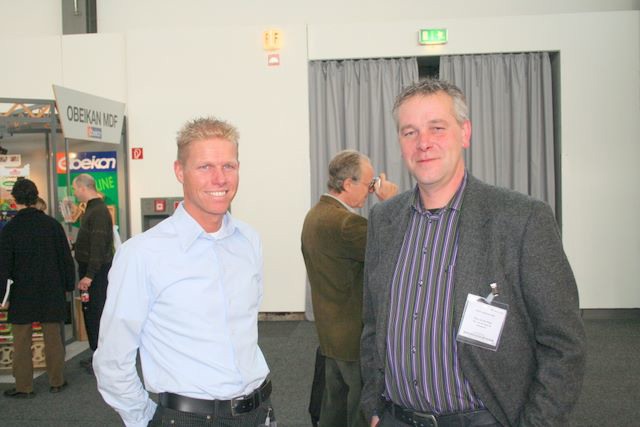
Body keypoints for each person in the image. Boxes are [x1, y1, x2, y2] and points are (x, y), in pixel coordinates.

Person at [360, 79, 586, 427]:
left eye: (437, 127)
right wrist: (372, 404)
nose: (423, 142)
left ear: (465, 133)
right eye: (410, 132)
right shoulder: (383, 220)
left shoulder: (521, 219)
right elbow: (373, 325)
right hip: (396, 417)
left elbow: (563, 345)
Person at [93, 117, 274, 427]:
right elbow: (112, 359)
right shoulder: (142, 254)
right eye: (205, 167)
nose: (220, 178)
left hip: (259, 412)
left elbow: (245, 323)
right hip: (190, 418)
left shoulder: (248, 241)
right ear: (180, 171)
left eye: (229, 166)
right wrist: (145, 419)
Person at [302, 150, 398, 427]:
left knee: (334, 408)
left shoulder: (315, 215)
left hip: (330, 333)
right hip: (354, 336)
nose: (371, 191)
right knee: (360, 410)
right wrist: (391, 204)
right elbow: (397, 248)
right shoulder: (346, 224)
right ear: (347, 184)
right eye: (369, 184)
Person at [0, 179, 75, 398]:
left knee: (21, 340)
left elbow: (4, 265)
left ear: (15, 200)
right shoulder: (52, 225)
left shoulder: (10, 229)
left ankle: (24, 386)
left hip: (22, 292)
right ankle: (57, 381)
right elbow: (65, 259)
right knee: (53, 338)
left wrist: (3, 295)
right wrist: (68, 285)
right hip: (51, 289)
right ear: (36, 197)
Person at [71, 173, 113, 372]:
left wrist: (89, 275)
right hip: (93, 273)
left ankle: (101, 356)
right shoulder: (93, 209)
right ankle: (97, 354)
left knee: (96, 313)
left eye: (75, 189)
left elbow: (98, 246)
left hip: (96, 275)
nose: (74, 193)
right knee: (92, 313)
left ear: (83, 187)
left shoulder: (98, 211)